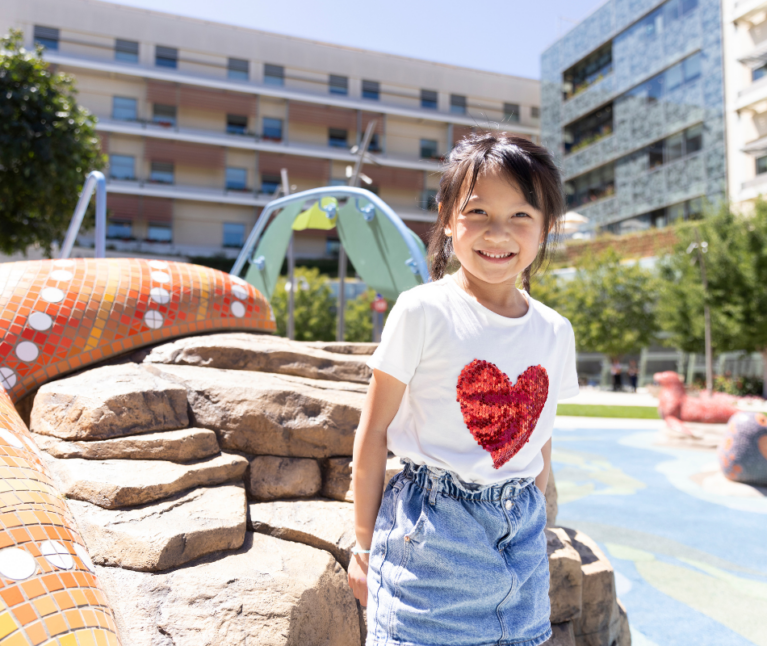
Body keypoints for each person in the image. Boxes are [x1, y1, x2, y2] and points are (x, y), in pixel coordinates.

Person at [347, 133, 579, 646]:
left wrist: (530, 525)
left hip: (520, 542)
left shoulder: (554, 330)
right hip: (430, 541)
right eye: (478, 213)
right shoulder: (423, 310)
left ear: (545, 228)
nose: (499, 233)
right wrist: (362, 548)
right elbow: (374, 431)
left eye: (521, 215)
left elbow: (539, 443)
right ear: (448, 217)